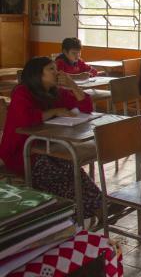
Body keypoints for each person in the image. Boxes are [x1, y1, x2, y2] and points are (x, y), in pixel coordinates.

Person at [0, 56, 102, 219]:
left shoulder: (56, 92)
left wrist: (73, 85)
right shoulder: (22, 92)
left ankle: (98, 206)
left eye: (56, 68)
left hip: (49, 147)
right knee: (56, 174)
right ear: (37, 74)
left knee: (72, 167)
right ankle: (74, 214)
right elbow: (26, 121)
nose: (57, 72)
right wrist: (54, 112)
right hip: (23, 151)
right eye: (51, 69)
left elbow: (86, 108)